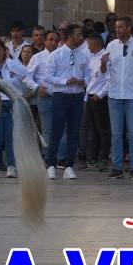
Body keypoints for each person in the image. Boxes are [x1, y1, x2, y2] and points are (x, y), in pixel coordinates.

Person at [101, 17, 133, 180]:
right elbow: (104, 71)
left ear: (129, 28)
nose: (117, 30)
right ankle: (117, 167)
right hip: (114, 94)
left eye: (121, 27)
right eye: (116, 27)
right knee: (116, 133)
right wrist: (102, 63)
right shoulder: (111, 45)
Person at [0, 39, 35, 178]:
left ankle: (12, 166)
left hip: (11, 103)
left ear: (5, 51)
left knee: (11, 136)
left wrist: (13, 67)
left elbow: (25, 75)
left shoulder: (13, 65)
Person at [45, 24, 89, 179]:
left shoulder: (84, 55)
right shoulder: (56, 55)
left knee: (74, 133)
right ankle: (51, 164)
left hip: (77, 97)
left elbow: (89, 74)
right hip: (61, 96)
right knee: (56, 132)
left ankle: (69, 166)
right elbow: (48, 77)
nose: (81, 38)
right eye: (78, 34)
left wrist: (83, 81)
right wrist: (65, 81)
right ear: (69, 36)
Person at [83, 32, 111, 171]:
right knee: (92, 130)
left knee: (103, 130)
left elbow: (109, 80)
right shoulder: (91, 57)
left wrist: (100, 95)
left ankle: (104, 158)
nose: (87, 47)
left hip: (100, 98)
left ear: (94, 43)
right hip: (90, 96)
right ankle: (92, 159)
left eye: (88, 44)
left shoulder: (106, 57)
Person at [27, 30, 59, 152]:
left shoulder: (62, 56)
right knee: (47, 129)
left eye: (56, 40)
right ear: (45, 41)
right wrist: (37, 87)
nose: (53, 42)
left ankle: (60, 157)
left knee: (61, 128)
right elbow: (27, 77)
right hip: (45, 97)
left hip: (61, 97)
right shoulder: (38, 57)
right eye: (50, 39)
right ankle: (47, 156)